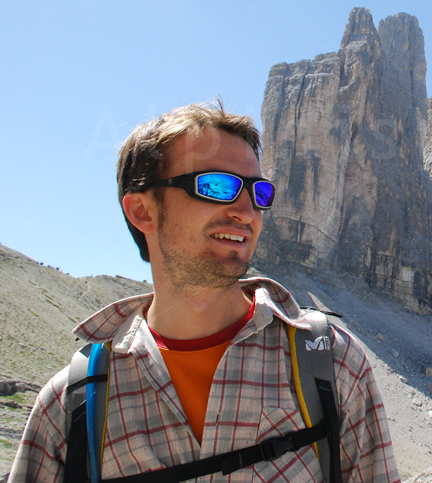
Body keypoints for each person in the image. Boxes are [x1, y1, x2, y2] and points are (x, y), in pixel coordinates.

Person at [10, 101, 400, 483]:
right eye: (217, 186)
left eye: (259, 194)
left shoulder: (331, 362)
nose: (247, 212)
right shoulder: (71, 403)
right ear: (142, 211)